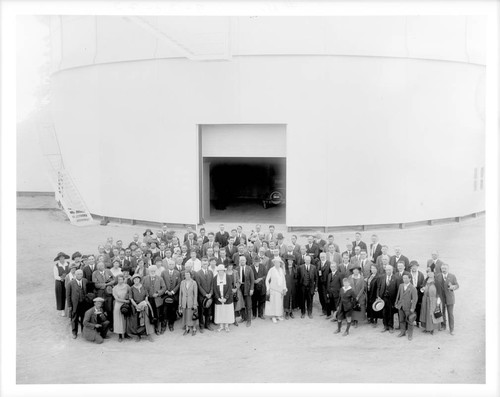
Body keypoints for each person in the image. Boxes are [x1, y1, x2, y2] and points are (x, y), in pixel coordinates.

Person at [128, 274, 154, 342]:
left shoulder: (144, 286)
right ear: (133, 280)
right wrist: (136, 306)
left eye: (137, 278)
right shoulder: (131, 288)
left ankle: (148, 334)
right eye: (134, 279)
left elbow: (146, 296)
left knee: (146, 320)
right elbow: (131, 299)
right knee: (137, 321)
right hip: (136, 306)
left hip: (144, 305)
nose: (136, 280)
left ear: (140, 279)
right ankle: (138, 336)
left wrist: (145, 302)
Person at [435, 264, 459, 335]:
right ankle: (443, 325)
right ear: (441, 269)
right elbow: (435, 286)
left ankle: (451, 329)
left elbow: (457, 285)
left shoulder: (452, 276)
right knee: (442, 313)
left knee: (450, 314)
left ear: (448, 269)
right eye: (442, 268)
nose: (444, 270)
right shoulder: (437, 276)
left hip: (450, 298)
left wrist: (453, 287)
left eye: (445, 268)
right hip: (441, 298)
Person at [141, 265, 166, 335]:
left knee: (157, 314)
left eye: (154, 271)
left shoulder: (160, 278)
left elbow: (164, 288)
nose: (153, 272)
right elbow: (142, 287)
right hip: (148, 299)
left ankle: (157, 328)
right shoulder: (145, 278)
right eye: (151, 271)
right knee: (148, 314)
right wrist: (146, 294)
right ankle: (148, 329)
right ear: (149, 271)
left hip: (157, 299)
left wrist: (158, 293)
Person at [394, 274, 418, 340]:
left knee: (410, 321)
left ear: (410, 279)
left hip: (408, 307)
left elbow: (415, 299)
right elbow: (398, 295)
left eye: (406, 278)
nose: (404, 280)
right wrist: (396, 303)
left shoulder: (413, 288)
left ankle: (410, 334)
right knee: (401, 320)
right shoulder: (401, 286)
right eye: (403, 278)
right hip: (400, 306)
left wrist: (413, 308)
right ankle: (403, 332)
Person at [419, 270, 443, 334]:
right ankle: (426, 328)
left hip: (433, 301)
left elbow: (439, 293)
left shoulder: (436, 282)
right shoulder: (425, 280)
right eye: (428, 272)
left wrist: (438, 303)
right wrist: (422, 289)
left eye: (430, 272)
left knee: (431, 315)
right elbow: (422, 289)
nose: (429, 273)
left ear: (434, 273)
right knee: (425, 314)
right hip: (425, 300)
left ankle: (432, 329)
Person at [66, 269, 88, 339]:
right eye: (78, 274)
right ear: (75, 275)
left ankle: (83, 331)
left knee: (83, 318)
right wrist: (69, 305)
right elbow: (68, 295)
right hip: (75, 304)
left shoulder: (85, 281)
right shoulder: (70, 283)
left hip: (83, 303)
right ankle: (74, 332)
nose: (80, 275)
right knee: (74, 318)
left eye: (81, 274)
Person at [213, 265, 235, 332]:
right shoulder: (215, 278)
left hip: (227, 298)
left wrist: (226, 298)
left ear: (224, 271)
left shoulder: (228, 277)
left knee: (227, 312)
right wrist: (218, 298)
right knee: (220, 312)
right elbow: (214, 289)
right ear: (218, 271)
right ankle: (221, 326)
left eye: (222, 270)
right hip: (219, 299)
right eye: (220, 270)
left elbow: (229, 288)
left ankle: (226, 326)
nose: (221, 272)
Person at [161, 259, 181, 332]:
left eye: (172, 264)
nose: (171, 266)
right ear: (167, 265)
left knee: (173, 310)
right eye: (170, 264)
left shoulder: (177, 273)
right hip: (165, 294)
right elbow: (162, 282)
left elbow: (179, 283)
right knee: (164, 310)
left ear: (174, 265)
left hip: (173, 294)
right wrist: (166, 291)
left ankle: (171, 324)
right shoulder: (163, 273)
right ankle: (163, 324)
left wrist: (173, 291)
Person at [194, 258, 214, 332]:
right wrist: (205, 294)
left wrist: (210, 293)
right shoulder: (198, 273)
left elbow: (212, 284)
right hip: (202, 296)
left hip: (209, 296)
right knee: (201, 311)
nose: (205, 265)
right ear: (201, 264)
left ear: (208, 264)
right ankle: (201, 326)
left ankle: (207, 325)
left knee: (208, 311)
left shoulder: (210, 272)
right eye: (203, 263)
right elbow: (198, 285)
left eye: (206, 263)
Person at [264, 258, 287, 323]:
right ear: (274, 263)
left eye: (279, 262)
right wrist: (268, 289)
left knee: (279, 303)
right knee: (273, 303)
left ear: (280, 263)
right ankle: (273, 316)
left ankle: (278, 315)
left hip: (280, 290)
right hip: (273, 290)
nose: (277, 264)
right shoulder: (271, 270)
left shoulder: (282, 270)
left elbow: (284, 280)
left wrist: (284, 288)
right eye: (276, 262)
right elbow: (267, 280)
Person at [377, 263, 398, 333]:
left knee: (390, 312)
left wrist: (396, 300)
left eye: (389, 270)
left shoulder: (395, 278)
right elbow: (379, 287)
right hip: (383, 298)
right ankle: (385, 326)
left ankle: (391, 326)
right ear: (385, 270)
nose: (388, 271)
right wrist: (378, 296)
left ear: (392, 270)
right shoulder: (382, 277)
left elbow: (397, 289)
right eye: (387, 270)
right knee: (384, 312)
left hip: (391, 298)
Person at [235, 256, 254, 327]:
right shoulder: (237, 269)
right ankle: (244, 317)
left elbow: (252, 280)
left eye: (243, 260)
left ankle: (249, 320)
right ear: (239, 261)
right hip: (240, 288)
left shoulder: (249, 268)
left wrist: (252, 289)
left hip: (248, 288)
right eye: (241, 260)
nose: (242, 261)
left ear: (246, 261)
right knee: (241, 304)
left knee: (248, 304)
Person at [112, 274, 132, 342]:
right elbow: (116, 298)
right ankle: (120, 335)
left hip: (126, 304)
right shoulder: (114, 288)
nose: (120, 281)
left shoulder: (127, 286)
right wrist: (124, 301)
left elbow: (130, 293)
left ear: (123, 279)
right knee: (119, 320)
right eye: (119, 279)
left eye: (121, 279)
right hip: (118, 304)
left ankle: (126, 334)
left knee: (125, 319)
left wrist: (128, 300)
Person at [178, 269, 198, 336]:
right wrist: (180, 303)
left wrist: (195, 303)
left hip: (191, 301)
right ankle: (187, 328)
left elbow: (195, 294)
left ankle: (194, 328)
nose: (187, 276)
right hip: (184, 302)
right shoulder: (182, 282)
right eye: (186, 274)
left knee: (192, 315)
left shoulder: (194, 282)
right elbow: (180, 294)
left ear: (191, 275)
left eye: (188, 274)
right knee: (185, 315)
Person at [409, 260, 425, 327]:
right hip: (411, 291)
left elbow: (423, 283)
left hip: (418, 291)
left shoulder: (421, 274)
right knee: (412, 306)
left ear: (417, 267)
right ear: (410, 267)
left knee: (418, 306)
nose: (414, 268)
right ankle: (411, 320)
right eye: (412, 266)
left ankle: (418, 321)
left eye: (415, 266)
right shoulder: (408, 274)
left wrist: (422, 289)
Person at [53, 252, 70, 316]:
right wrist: (62, 278)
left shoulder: (68, 264)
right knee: (60, 296)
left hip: (67, 281)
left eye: (63, 257)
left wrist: (67, 278)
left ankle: (69, 309)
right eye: (60, 258)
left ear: (64, 258)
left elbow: (70, 272)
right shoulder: (56, 266)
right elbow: (56, 276)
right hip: (59, 282)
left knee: (68, 294)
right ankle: (62, 310)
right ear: (58, 259)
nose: (62, 259)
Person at [283, 255, 299, 319]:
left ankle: (291, 312)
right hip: (286, 285)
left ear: (293, 261)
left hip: (293, 286)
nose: (290, 262)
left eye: (291, 261)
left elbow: (297, 277)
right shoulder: (284, 268)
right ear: (287, 261)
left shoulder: (295, 268)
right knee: (286, 299)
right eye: (289, 260)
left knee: (292, 298)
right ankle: (286, 312)